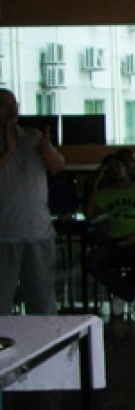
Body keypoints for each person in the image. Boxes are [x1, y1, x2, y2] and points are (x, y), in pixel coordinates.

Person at [0, 88, 65, 315]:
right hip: (4, 236)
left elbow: (58, 167)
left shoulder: (33, 137)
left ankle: (48, 349)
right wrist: (8, 150)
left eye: (14, 105)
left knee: (43, 304)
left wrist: (46, 149)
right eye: (5, 106)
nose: (11, 111)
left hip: (38, 233)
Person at [85, 154, 135, 317]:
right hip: (115, 241)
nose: (115, 171)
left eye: (118, 166)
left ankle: (122, 291)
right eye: (111, 168)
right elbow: (89, 213)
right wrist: (96, 182)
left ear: (127, 168)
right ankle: (130, 293)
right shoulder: (106, 193)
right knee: (93, 262)